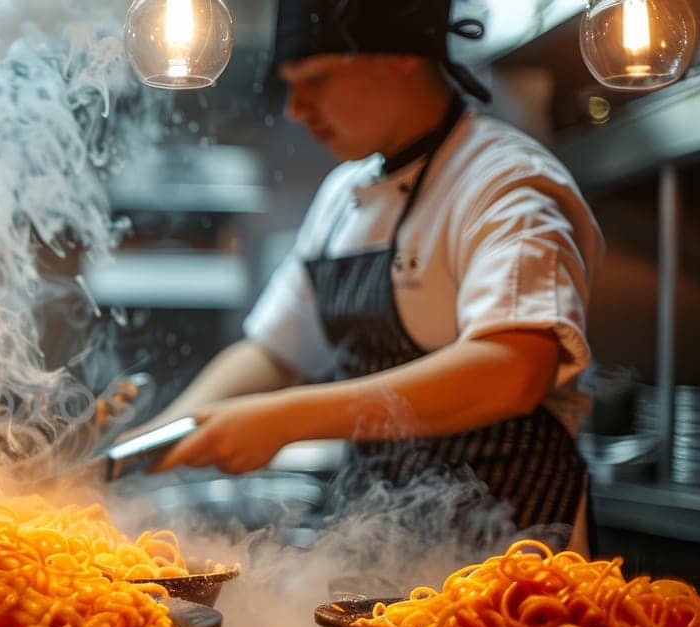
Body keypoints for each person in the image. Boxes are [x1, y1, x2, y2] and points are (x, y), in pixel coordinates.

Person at [141, 0, 603, 552]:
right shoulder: (343, 195)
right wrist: (158, 439)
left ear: (399, 56)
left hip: (511, 551)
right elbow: (274, 353)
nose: (295, 109)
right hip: (380, 546)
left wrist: (284, 420)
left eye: (316, 79)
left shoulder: (503, 183)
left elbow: (511, 368)